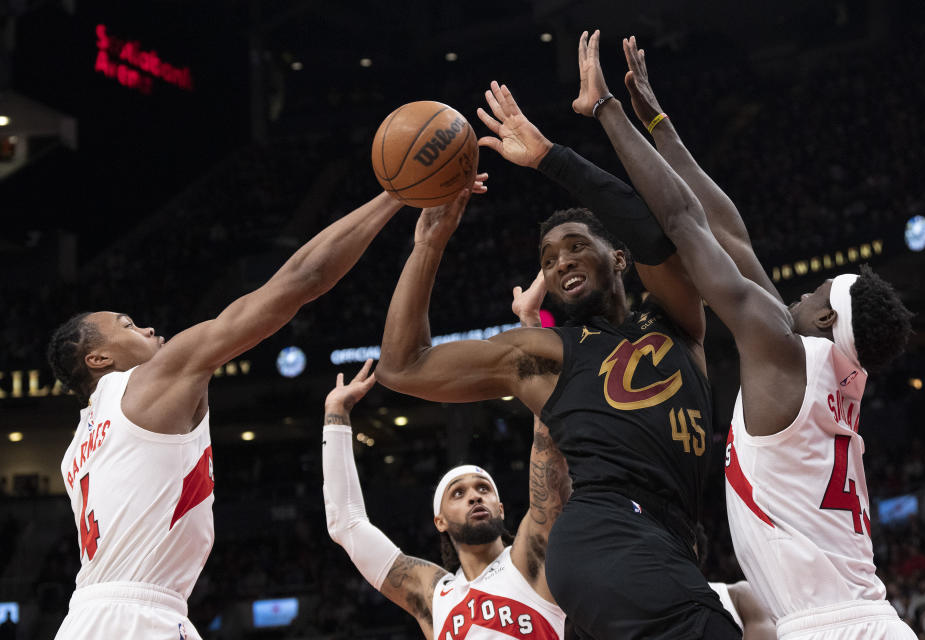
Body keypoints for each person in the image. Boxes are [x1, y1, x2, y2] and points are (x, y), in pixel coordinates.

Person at [577, 28, 914, 639]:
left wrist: (606, 111)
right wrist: (661, 126)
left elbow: (684, 222)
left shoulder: (784, 351)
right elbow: (736, 239)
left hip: (827, 628)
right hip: (872, 618)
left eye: (814, 292)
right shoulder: (838, 371)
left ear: (827, 319)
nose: (799, 294)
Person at [376, 81, 743, 638]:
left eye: (575, 246)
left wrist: (551, 158)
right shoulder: (547, 355)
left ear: (618, 257)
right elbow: (403, 366)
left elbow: (659, 234)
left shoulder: (673, 319)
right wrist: (430, 240)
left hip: (666, 544)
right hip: (608, 535)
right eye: (548, 259)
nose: (560, 262)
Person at [46, 180, 482, 640]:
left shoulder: (76, 450)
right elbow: (298, 282)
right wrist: (398, 194)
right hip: (138, 619)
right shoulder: (149, 381)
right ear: (98, 360)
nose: (148, 327)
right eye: (128, 325)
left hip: (87, 617)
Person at [323, 279, 569, 640]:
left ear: (501, 507)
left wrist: (531, 326)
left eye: (483, 489)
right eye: (458, 493)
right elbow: (347, 524)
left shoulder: (532, 557)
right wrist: (336, 416)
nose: (474, 496)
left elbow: (549, 435)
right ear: (438, 520)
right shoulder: (434, 596)